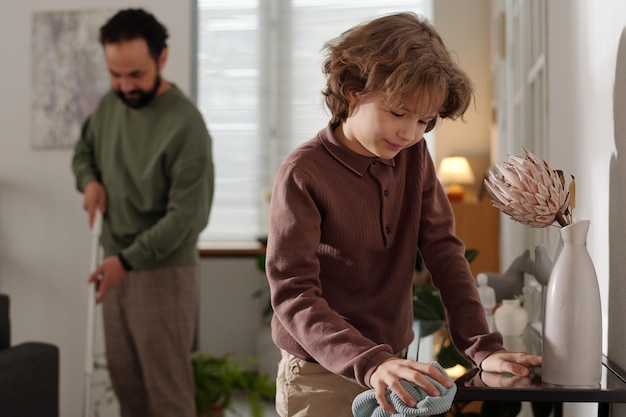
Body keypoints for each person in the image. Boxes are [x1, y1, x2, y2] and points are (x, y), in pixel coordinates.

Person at [265, 12, 541, 417]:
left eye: (425, 121)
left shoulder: (413, 156)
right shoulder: (303, 173)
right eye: (398, 113)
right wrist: (371, 363)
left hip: (395, 367)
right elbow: (293, 293)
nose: (410, 133)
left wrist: (484, 349)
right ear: (353, 90)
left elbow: (445, 252)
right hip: (320, 376)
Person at [71, 8, 214, 417]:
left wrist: (127, 261)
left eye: (135, 74)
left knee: (166, 395)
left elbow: (188, 218)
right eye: (115, 74)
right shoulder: (109, 106)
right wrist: (90, 182)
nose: (124, 85)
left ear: (162, 58)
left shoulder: (186, 125)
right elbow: (84, 154)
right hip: (115, 266)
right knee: (127, 388)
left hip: (163, 272)